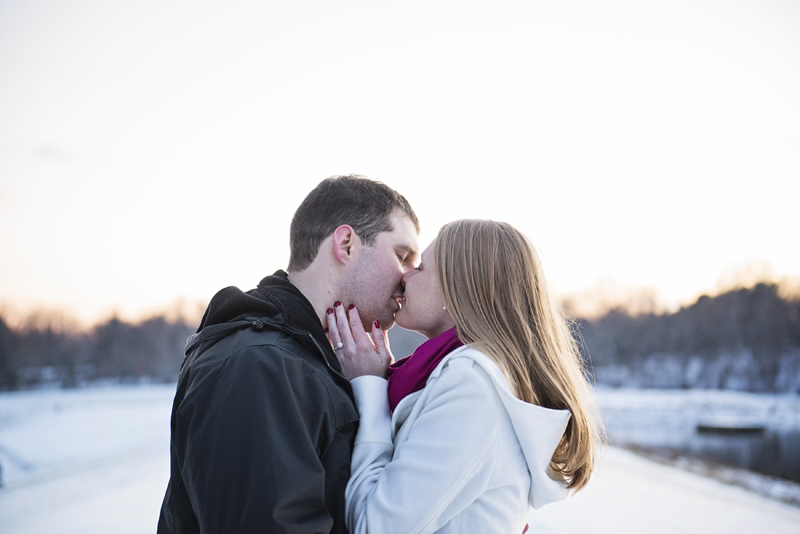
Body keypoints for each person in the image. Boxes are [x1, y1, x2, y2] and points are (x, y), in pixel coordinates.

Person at [157, 175, 420, 533]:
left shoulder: (309, 364)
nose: (409, 279)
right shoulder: (258, 367)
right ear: (346, 244)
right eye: (402, 256)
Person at [327, 219, 602, 534]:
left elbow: (373, 527)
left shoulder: (473, 385)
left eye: (421, 269)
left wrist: (370, 389)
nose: (405, 275)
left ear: (460, 289)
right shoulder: (462, 376)